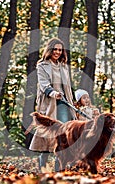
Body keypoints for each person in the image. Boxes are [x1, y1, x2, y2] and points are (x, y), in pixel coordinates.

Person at [29, 37, 76, 171]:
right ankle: (42, 166)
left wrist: (71, 101)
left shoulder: (64, 67)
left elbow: (67, 87)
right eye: (55, 49)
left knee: (63, 135)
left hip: (64, 105)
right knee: (47, 134)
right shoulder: (42, 65)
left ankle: (59, 167)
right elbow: (44, 85)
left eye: (60, 50)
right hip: (50, 103)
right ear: (50, 50)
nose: (57, 52)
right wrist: (54, 93)